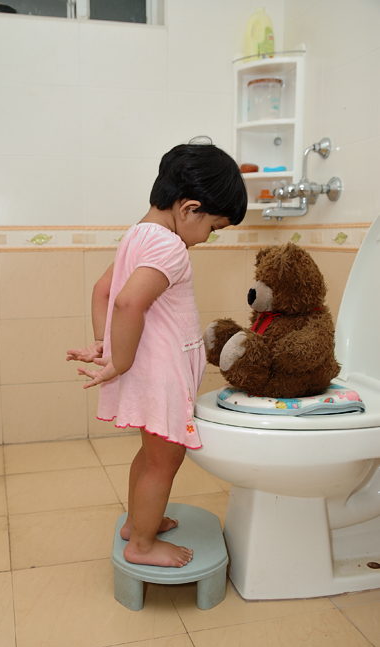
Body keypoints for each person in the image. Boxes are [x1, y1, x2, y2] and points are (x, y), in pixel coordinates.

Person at [67, 140, 247, 568]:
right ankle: (142, 545)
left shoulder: (136, 235)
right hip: (158, 373)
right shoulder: (170, 246)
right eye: (214, 227)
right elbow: (129, 303)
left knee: (150, 457)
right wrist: (120, 359)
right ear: (189, 208)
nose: (208, 238)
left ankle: (136, 523)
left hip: (147, 371)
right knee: (164, 462)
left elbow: (104, 290)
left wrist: (103, 342)